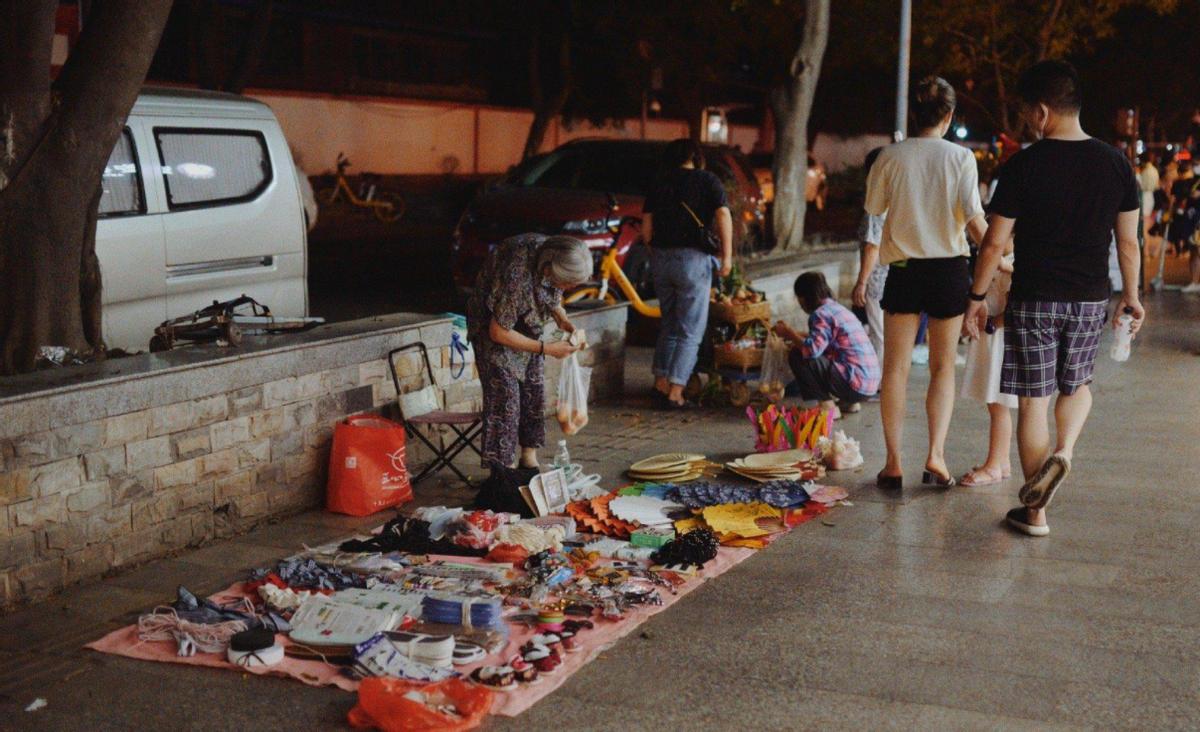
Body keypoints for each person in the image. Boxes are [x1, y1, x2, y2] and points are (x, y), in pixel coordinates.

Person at [965, 60, 1144, 537]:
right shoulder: (1116, 164)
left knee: (1031, 403)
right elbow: (1128, 243)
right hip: (1089, 299)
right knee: (1077, 386)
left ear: (1042, 112)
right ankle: (1064, 452)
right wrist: (1132, 295)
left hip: (1035, 299)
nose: (1028, 123)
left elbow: (993, 243)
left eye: (1027, 114)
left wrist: (977, 297)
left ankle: (1035, 514)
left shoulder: (1024, 165)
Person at [864, 76, 988, 490]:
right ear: (949, 116)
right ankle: (936, 457)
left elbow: (875, 208)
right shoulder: (961, 159)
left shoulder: (889, 157)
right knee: (941, 369)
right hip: (949, 270)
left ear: (911, 115)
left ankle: (894, 462)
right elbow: (974, 221)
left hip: (903, 270)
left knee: (895, 369)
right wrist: (999, 256)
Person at [466, 234, 592, 474]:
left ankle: (528, 460)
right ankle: (503, 473)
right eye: (567, 283)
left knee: (533, 390)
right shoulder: (517, 276)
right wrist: (547, 349)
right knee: (506, 399)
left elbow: (551, 292)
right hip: (492, 327)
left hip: (523, 325)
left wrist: (562, 320)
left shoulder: (551, 254)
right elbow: (498, 332)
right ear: (548, 269)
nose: (568, 289)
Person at [643, 139, 734, 408]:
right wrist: (727, 257)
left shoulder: (658, 182)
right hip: (692, 261)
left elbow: (646, 230)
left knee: (669, 324)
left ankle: (660, 383)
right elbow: (724, 217)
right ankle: (676, 392)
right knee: (690, 330)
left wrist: (657, 254)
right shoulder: (708, 181)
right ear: (696, 156)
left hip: (660, 259)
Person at [773, 272, 880, 416]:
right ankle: (850, 402)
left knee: (797, 354)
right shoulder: (838, 309)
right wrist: (796, 334)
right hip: (868, 385)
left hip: (854, 384)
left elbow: (811, 350)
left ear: (804, 298)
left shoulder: (820, 314)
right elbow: (825, 340)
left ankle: (827, 405)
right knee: (827, 355)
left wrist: (789, 333)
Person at [958, 243, 1017, 486]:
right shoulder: (998, 259)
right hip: (994, 338)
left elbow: (1015, 307)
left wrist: (991, 324)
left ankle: (993, 465)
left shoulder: (1014, 262)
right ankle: (1001, 461)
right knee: (995, 405)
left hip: (1001, 338)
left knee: (998, 405)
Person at [851, 147, 888, 365]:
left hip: (878, 279)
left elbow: (871, 246)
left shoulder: (876, 203)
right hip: (897, 273)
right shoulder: (898, 197)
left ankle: (879, 379)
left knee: (879, 332)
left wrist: (861, 282)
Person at [1167, 160, 1200, 292]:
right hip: (1191, 220)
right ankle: (1194, 282)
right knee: (1194, 251)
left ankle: (1195, 281)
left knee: (1196, 251)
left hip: (1195, 221)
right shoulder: (1188, 183)